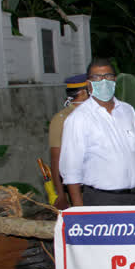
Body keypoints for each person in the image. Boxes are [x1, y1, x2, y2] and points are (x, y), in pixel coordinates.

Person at [59, 58, 135, 206]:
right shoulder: (79, 118)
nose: (103, 81)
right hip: (102, 199)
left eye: (108, 76)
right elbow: (71, 170)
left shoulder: (128, 110)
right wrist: (79, 212)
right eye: (97, 77)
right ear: (89, 84)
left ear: (114, 80)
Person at [48, 74, 90, 210]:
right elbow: (56, 159)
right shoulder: (61, 119)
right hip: (79, 188)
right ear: (84, 93)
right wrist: (60, 194)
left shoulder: (96, 114)